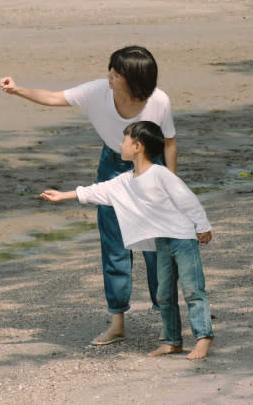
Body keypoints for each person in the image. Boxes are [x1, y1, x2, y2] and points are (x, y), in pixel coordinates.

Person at [0, 45, 177, 346]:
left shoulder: (158, 101)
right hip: (111, 166)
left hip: (149, 167)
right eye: (110, 68)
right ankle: (117, 322)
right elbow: (55, 97)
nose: (109, 75)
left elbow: (170, 143)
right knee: (115, 247)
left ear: (135, 79)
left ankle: (167, 322)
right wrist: (17, 90)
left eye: (117, 72)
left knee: (154, 250)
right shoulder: (97, 91)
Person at [40, 121, 214, 360]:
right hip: (161, 241)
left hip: (183, 238)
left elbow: (188, 200)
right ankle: (172, 341)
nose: (120, 144)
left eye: (124, 139)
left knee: (193, 289)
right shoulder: (125, 181)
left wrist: (202, 227)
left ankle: (203, 338)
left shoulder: (161, 174)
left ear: (137, 147)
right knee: (164, 293)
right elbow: (97, 191)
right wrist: (62, 195)